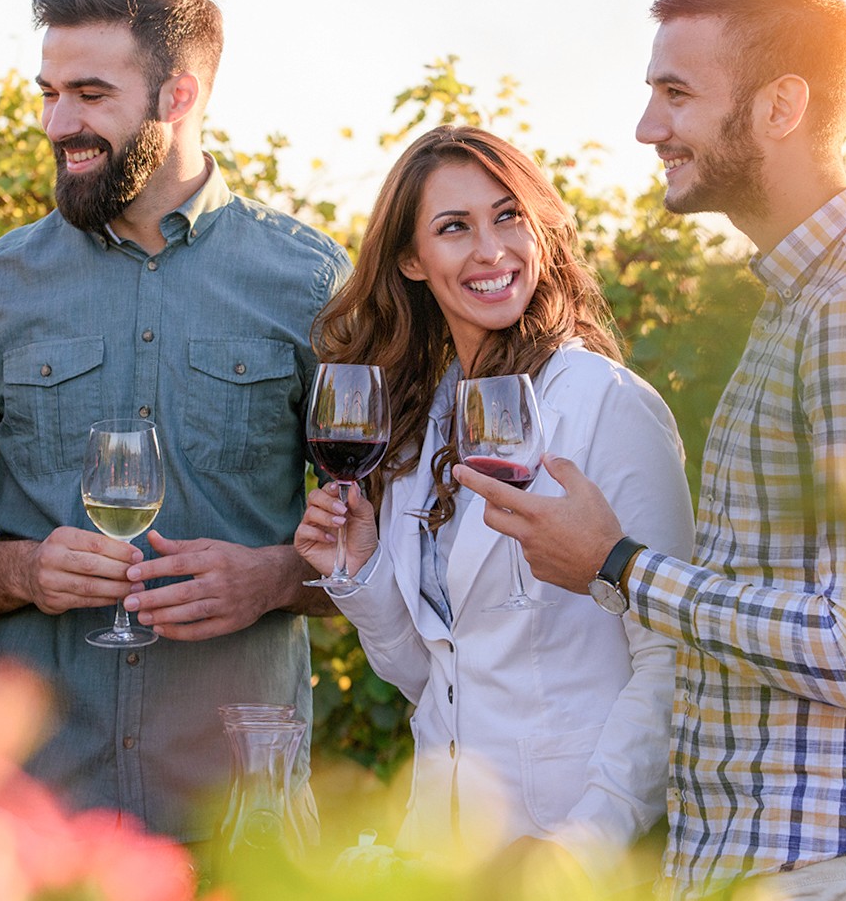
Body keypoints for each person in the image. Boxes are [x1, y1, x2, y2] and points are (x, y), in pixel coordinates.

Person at [456, 0, 846, 900]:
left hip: (827, 863)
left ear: (782, 106)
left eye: (677, 94)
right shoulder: (799, 306)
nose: (648, 127)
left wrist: (617, 565)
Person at [0, 0, 351, 842]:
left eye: (89, 94)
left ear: (178, 96)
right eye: (48, 92)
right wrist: (22, 572)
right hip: (30, 825)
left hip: (238, 825)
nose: (56, 123)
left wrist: (270, 580)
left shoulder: (312, 285)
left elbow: (405, 547)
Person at [293, 125, 693, 872]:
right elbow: (438, 676)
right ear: (411, 260)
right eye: (454, 228)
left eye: (509, 215)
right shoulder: (425, 423)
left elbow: (672, 656)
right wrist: (362, 571)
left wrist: (583, 847)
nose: (491, 249)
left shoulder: (605, 403)